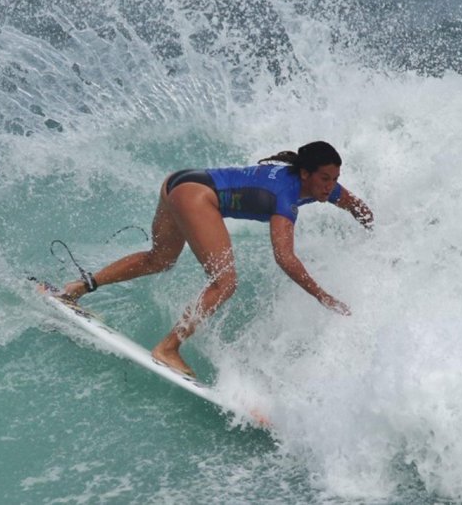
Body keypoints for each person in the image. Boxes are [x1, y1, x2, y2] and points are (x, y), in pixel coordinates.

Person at [59, 140, 374, 377]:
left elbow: (353, 204)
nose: (330, 186)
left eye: (334, 178)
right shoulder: (285, 194)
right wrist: (324, 298)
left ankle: (76, 288)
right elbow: (285, 258)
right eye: (325, 179)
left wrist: (375, 233)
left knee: (160, 259)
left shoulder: (318, 186)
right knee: (225, 282)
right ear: (305, 173)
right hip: (196, 196)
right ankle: (168, 348)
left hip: (178, 182)